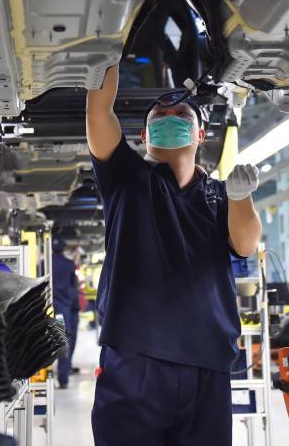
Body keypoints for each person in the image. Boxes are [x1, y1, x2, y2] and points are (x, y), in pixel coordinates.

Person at [86, 65, 262, 446]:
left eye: (182, 113)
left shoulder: (218, 195)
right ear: (144, 136)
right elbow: (99, 111)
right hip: (135, 359)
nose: (170, 117)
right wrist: (108, 48)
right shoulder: (125, 178)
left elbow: (246, 245)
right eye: (159, 116)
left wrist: (241, 198)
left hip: (207, 366)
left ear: (200, 134)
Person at [52, 235, 81, 388]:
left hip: (50, 309)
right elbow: (73, 285)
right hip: (64, 311)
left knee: (57, 340)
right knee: (64, 340)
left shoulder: (44, 263)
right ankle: (63, 378)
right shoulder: (69, 264)